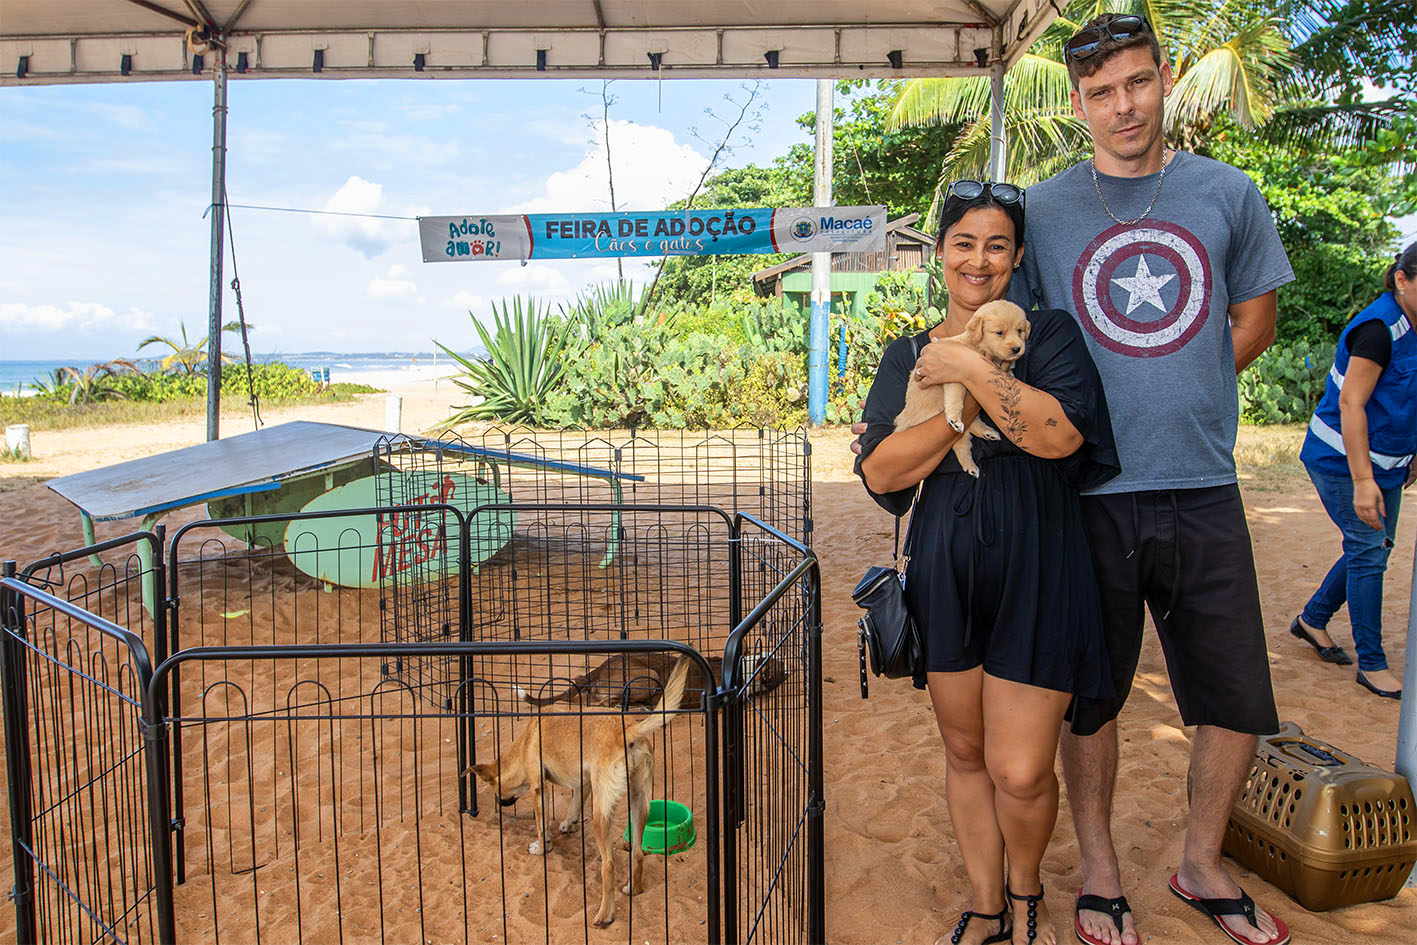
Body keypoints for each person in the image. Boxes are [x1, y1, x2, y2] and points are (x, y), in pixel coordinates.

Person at [852, 14, 1294, 945]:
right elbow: (890, 463)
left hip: (1166, 488)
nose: (1122, 105)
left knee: (1215, 697)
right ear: (1079, 100)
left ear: (1164, 78)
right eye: (1100, 91)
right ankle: (1072, 881)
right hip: (1022, 525)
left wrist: (1184, 387)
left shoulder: (1222, 196)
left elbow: (1246, 317)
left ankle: (1190, 865)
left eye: (1136, 83)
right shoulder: (1037, 217)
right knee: (1072, 704)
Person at [855, 179, 1120, 945]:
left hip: (1039, 565)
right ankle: (984, 904)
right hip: (945, 567)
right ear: (939, 252)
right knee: (965, 751)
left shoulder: (1050, 335)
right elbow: (881, 471)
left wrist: (968, 373)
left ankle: (1026, 888)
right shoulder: (906, 353)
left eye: (996, 244)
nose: (978, 260)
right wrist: (960, 404)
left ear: (1017, 257)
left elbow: (1059, 437)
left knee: (1021, 769)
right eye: (963, 242)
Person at [1292, 242, 1417, 698]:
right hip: (1340, 461)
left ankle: (1312, 620)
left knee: (1373, 548)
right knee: (1368, 550)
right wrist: (1363, 481)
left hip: (1387, 462)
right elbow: (1351, 403)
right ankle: (1373, 664)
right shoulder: (1378, 330)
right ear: (1402, 279)